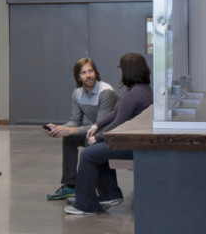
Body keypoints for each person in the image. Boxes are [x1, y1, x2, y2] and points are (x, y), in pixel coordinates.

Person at [65, 53, 153, 216]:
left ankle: (85, 204)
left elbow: (118, 122)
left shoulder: (133, 94)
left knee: (88, 155)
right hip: (135, 141)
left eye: (121, 68)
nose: (120, 71)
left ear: (128, 70)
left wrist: (97, 137)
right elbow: (116, 113)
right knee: (97, 151)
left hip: (133, 145)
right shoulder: (140, 90)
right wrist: (97, 126)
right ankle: (109, 194)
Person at [44, 57, 118, 200]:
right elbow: (75, 121)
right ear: (78, 76)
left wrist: (71, 130)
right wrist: (60, 128)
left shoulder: (106, 92)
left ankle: (94, 193)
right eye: (83, 73)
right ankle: (70, 185)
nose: (88, 75)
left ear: (95, 72)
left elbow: (101, 126)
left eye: (90, 71)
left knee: (79, 139)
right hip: (93, 134)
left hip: (108, 136)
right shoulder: (77, 94)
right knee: (69, 138)